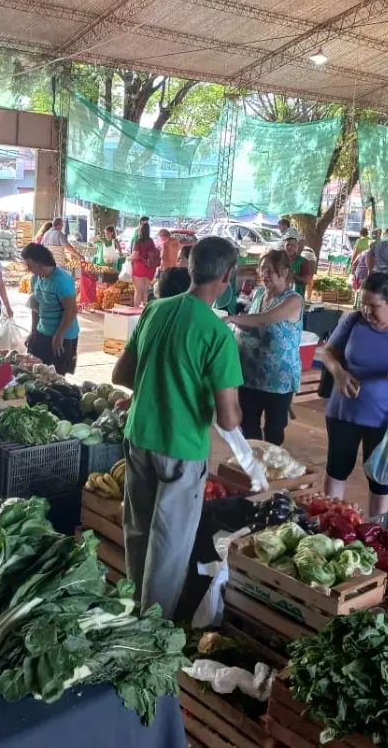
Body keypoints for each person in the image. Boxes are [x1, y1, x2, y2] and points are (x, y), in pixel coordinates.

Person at [111, 236, 243, 618]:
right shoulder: (218, 335)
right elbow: (228, 417)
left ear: (189, 268)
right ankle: (152, 622)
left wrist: (159, 387)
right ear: (227, 276)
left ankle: (132, 605)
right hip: (181, 448)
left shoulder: (155, 309)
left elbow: (122, 373)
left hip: (139, 435)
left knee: (137, 528)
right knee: (169, 543)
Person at [319, 273, 388, 515]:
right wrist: (339, 373)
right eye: (364, 304)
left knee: (380, 480)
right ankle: (328, 520)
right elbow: (328, 352)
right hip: (343, 413)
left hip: (384, 418)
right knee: (337, 469)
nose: (367, 311)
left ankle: (375, 529)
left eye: (374, 306)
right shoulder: (353, 321)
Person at [227, 250, 303, 445]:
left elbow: (265, 320)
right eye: (262, 269)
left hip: (277, 379)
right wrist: (231, 325)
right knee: (248, 424)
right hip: (250, 374)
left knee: (274, 429)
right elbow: (251, 322)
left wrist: (233, 318)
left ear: (285, 272)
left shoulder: (293, 300)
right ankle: (253, 466)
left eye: (270, 270)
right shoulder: (259, 293)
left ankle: (270, 468)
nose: (264, 274)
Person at [22, 243, 79, 375]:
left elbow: (71, 310)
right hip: (42, 331)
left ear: (40, 264)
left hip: (63, 336)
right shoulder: (36, 278)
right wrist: (33, 331)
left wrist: (59, 335)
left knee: (55, 377)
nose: (28, 269)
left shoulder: (62, 280)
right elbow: (36, 306)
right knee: (33, 372)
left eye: (30, 265)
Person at [130, 221, 160, 307]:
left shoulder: (138, 242)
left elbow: (135, 255)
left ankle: (135, 311)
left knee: (138, 291)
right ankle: (143, 311)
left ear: (140, 230)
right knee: (146, 291)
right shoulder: (151, 241)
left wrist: (128, 258)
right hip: (150, 267)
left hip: (139, 267)